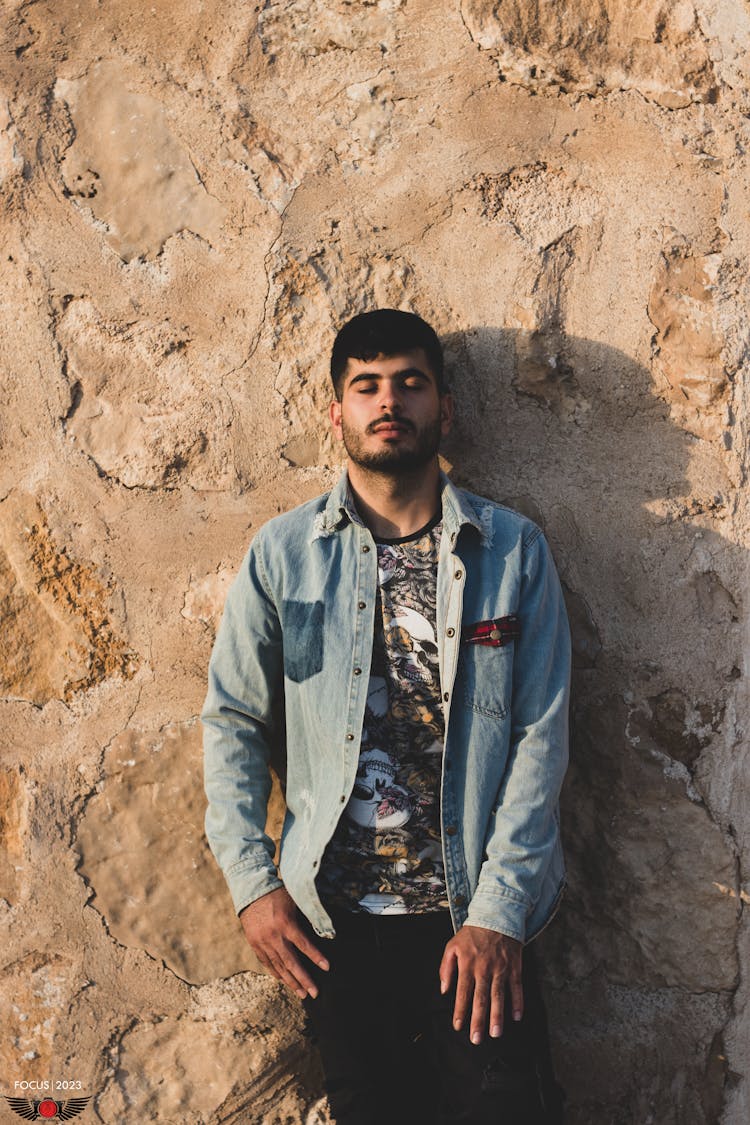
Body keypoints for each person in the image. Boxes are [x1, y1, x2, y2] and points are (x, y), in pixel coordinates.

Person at [202, 309, 571, 1124]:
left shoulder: (510, 552)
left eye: (410, 382)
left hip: (469, 921)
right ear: (336, 412)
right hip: (335, 929)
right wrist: (252, 885)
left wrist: (498, 916)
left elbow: (539, 742)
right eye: (365, 386)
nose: (388, 401)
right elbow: (232, 719)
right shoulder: (285, 555)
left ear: (443, 406)